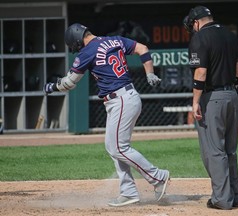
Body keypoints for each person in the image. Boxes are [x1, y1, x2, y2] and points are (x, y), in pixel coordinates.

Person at [43, 23, 170, 207]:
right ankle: (128, 192)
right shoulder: (114, 40)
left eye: (74, 45)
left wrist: (52, 87)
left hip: (121, 99)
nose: (76, 48)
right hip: (125, 97)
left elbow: (69, 83)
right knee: (114, 147)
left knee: (118, 148)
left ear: (77, 40)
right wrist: (149, 73)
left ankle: (158, 177)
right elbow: (143, 49)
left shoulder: (88, 51)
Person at [183, 6, 238, 210]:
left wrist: (195, 101)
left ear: (197, 22)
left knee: (214, 151)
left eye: (193, 25)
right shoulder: (230, 35)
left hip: (213, 98)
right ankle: (235, 195)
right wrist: (232, 88)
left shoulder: (200, 38)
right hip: (232, 96)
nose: (193, 28)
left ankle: (222, 199)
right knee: (230, 150)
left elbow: (200, 73)